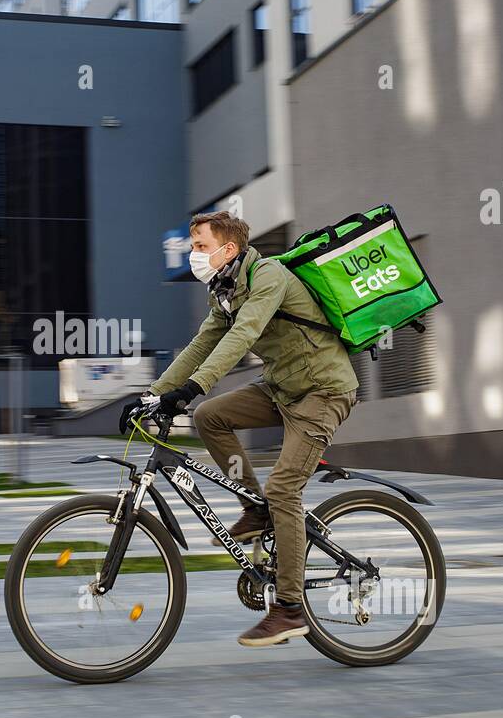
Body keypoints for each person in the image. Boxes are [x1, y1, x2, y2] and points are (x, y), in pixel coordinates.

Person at [121, 210, 359, 647]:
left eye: (199, 246)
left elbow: (243, 335)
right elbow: (202, 344)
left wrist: (191, 388)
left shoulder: (269, 275)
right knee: (212, 416)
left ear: (228, 249)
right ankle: (256, 507)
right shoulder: (225, 290)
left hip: (323, 391)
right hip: (283, 387)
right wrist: (153, 394)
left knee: (285, 489)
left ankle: (288, 609)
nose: (193, 255)